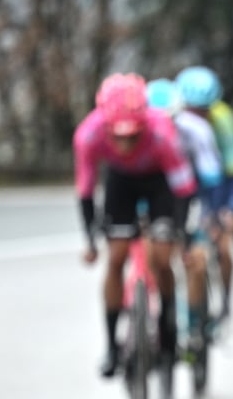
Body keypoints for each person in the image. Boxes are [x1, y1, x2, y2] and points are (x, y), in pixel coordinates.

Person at [74, 72, 197, 377]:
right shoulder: (88, 135)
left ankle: (168, 328)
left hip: (160, 184)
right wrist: (90, 241)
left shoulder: (162, 132)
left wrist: (183, 236)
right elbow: (86, 189)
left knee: (161, 255)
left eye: (132, 134)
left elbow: (183, 188)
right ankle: (112, 346)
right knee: (115, 258)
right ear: (105, 125)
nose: (125, 142)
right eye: (117, 136)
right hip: (120, 184)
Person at [146, 78, 224, 348]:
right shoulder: (141, 135)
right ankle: (159, 314)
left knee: (196, 260)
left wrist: (211, 218)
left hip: (194, 198)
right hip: (159, 201)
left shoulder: (196, 131)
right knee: (153, 254)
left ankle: (194, 325)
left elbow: (211, 178)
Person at [175, 65, 233, 322]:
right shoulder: (171, 119)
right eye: (193, 109)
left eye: (204, 110)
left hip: (219, 187)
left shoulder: (223, 120)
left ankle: (226, 302)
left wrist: (231, 210)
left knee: (224, 247)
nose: (199, 116)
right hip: (185, 186)